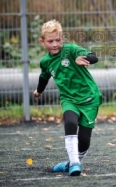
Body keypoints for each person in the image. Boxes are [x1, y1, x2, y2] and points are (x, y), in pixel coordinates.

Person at [33, 19, 102, 176]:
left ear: (62, 38)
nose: (55, 44)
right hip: (68, 99)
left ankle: (70, 162)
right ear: (42, 42)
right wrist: (39, 90)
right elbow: (44, 77)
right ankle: (75, 165)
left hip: (89, 99)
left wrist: (85, 59)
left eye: (58, 40)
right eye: (50, 41)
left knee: (84, 140)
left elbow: (94, 56)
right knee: (70, 122)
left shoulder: (71, 50)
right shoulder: (45, 62)